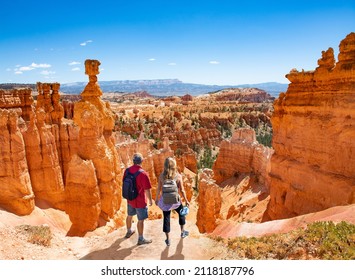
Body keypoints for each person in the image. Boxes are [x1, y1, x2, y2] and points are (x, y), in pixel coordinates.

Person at [155, 157, 190, 246]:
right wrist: (186, 200)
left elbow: (159, 189)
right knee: (181, 213)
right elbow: (182, 190)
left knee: (166, 219)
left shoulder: (162, 176)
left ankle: (168, 240)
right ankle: (182, 232)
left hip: (165, 201)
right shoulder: (178, 176)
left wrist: (156, 199)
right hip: (176, 201)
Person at [124, 153, 153, 245]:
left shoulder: (127, 171)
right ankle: (140, 239)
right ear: (142, 161)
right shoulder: (143, 174)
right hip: (140, 201)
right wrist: (150, 200)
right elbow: (147, 190)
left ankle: (129, 231)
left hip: (130, 199)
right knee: (141, 220)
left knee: (129, 215)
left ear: (133, 161)